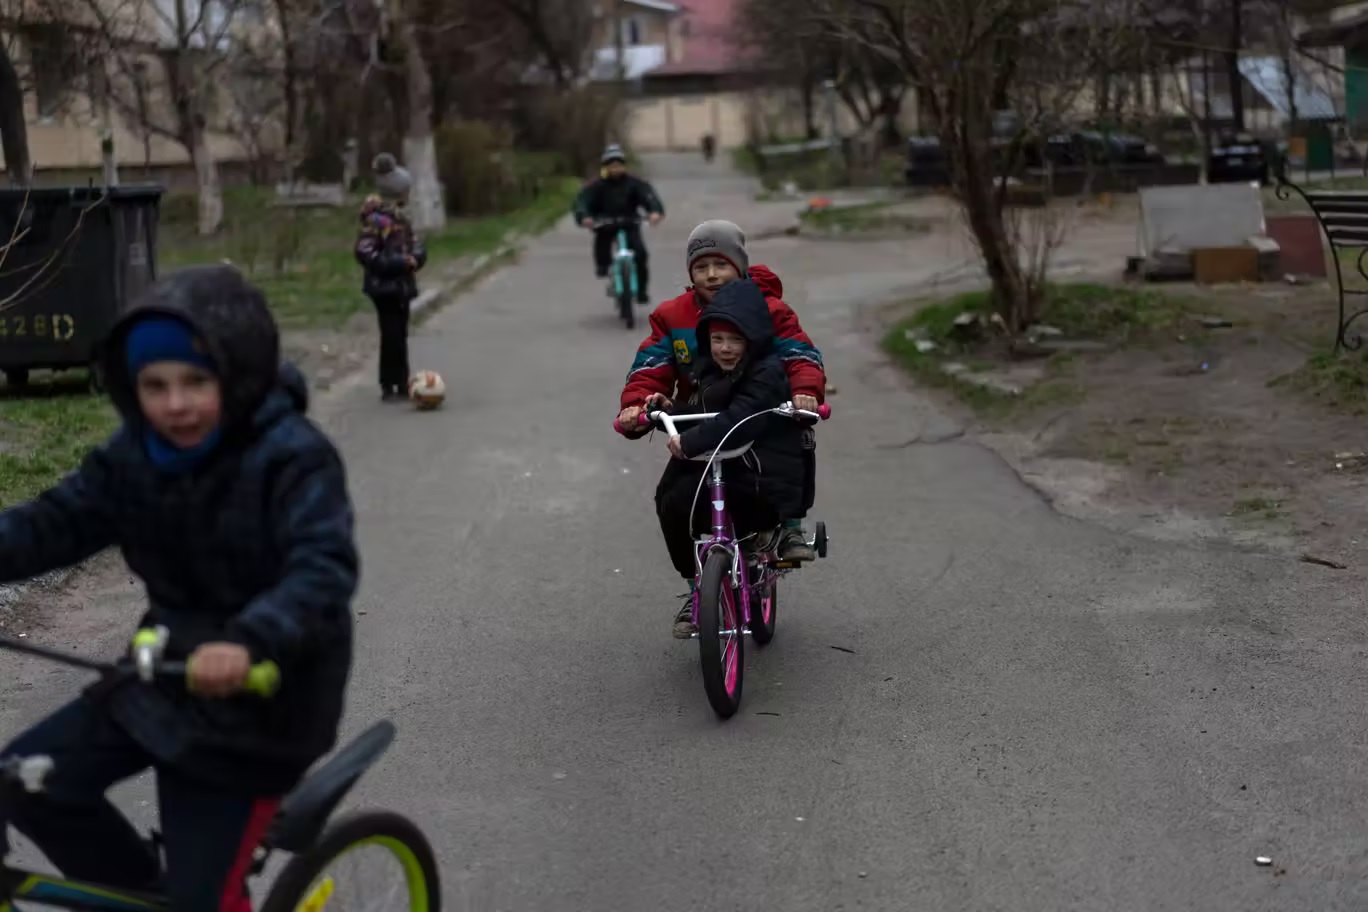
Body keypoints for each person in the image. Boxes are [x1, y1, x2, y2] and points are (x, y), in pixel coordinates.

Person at [0, 264, 358, 912]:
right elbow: (54, 523)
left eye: (197, 381)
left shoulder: (291, 457)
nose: (175, 405)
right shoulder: (135, 455)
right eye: (154, 385)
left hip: (262, 702)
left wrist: (250, 642)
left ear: (238, 376)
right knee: (27, 783)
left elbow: (322, 567)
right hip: (164, 669)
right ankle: (140, 894)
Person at [617, 219, 825, 562]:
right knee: (674, 499)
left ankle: (789, 526)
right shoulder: (673, 316)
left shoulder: (771, 309)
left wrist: (805, 391)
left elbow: (799, 354)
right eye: (701, 267)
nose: (711, 274)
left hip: (761, 412)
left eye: (721, 265)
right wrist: (638, 406)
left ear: (739, 267)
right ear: (690, 272)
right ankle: (697, 586)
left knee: (789, 452)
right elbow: (651, 365)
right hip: (705, 415)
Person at [653, 278, 807, 639]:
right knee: (672, 501)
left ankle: (763, 540)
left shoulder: (767, 373)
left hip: (756, 467)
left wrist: (690, 444)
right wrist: (668, 412)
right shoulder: (707, 371)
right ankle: (695, 585)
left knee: (751, 509)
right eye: (717, 339)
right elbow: (705, 414)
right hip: (716, 461)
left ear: (753, 339)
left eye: (735, 340)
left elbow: (738, 419)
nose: (724, 348)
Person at [356, 152, 426, 401]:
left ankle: (401, 381)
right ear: (396, 193)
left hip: (402, 284)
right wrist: (397, 263)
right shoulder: (377, 221)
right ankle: (390, 383)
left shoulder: (401, 219)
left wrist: (417, 257)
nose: (408, 196)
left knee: (400, 333)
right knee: (391, 333)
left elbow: (415, 243)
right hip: (384, 286)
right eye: (406, 192)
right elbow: (364, 252)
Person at [571, 144, 664, 304]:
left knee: (640, 253)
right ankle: (603, 267)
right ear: (605, 167)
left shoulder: (635, 182)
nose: (615, 168)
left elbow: (649, 197)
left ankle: (641, 290)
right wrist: (585, 217)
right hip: (605, 223)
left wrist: (654, 212)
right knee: (602, 246)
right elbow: (582, 202)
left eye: (618, 165)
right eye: (611, 165)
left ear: (624, 166)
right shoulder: (596, 185)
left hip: (629, 222)